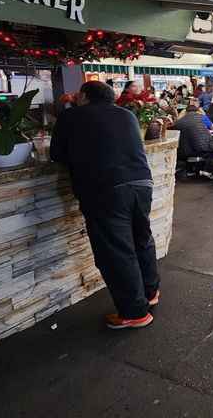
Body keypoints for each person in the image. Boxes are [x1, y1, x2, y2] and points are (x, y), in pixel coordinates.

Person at [50, 81, 158, 330]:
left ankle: (134, 313)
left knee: (116, 251)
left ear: (85, 97)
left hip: (106, 188)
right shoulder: (128, 114)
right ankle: (151, 292)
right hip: (142, 182)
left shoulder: (71, 116)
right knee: (142, 239)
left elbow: (57, 155)